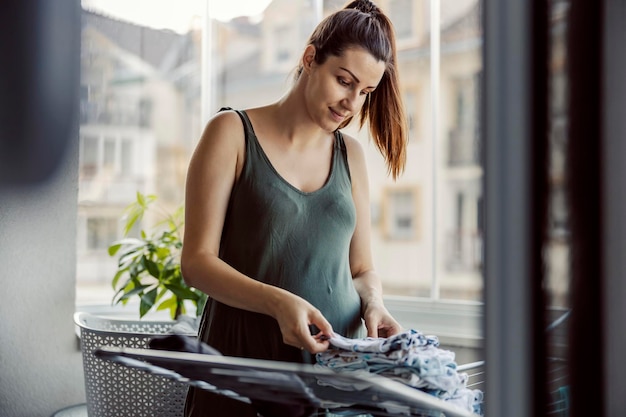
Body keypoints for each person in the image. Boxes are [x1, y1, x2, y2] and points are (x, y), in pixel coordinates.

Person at [180, 1, 408, 415]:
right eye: (344, 80)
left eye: (365, 92)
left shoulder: (350, 156)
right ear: (309, 58)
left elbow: (361, 270)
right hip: (242, 369)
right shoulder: (231, 134)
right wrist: (279, 303)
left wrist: (374, 302)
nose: (351, 103)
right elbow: (196, 263)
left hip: (331, 381)